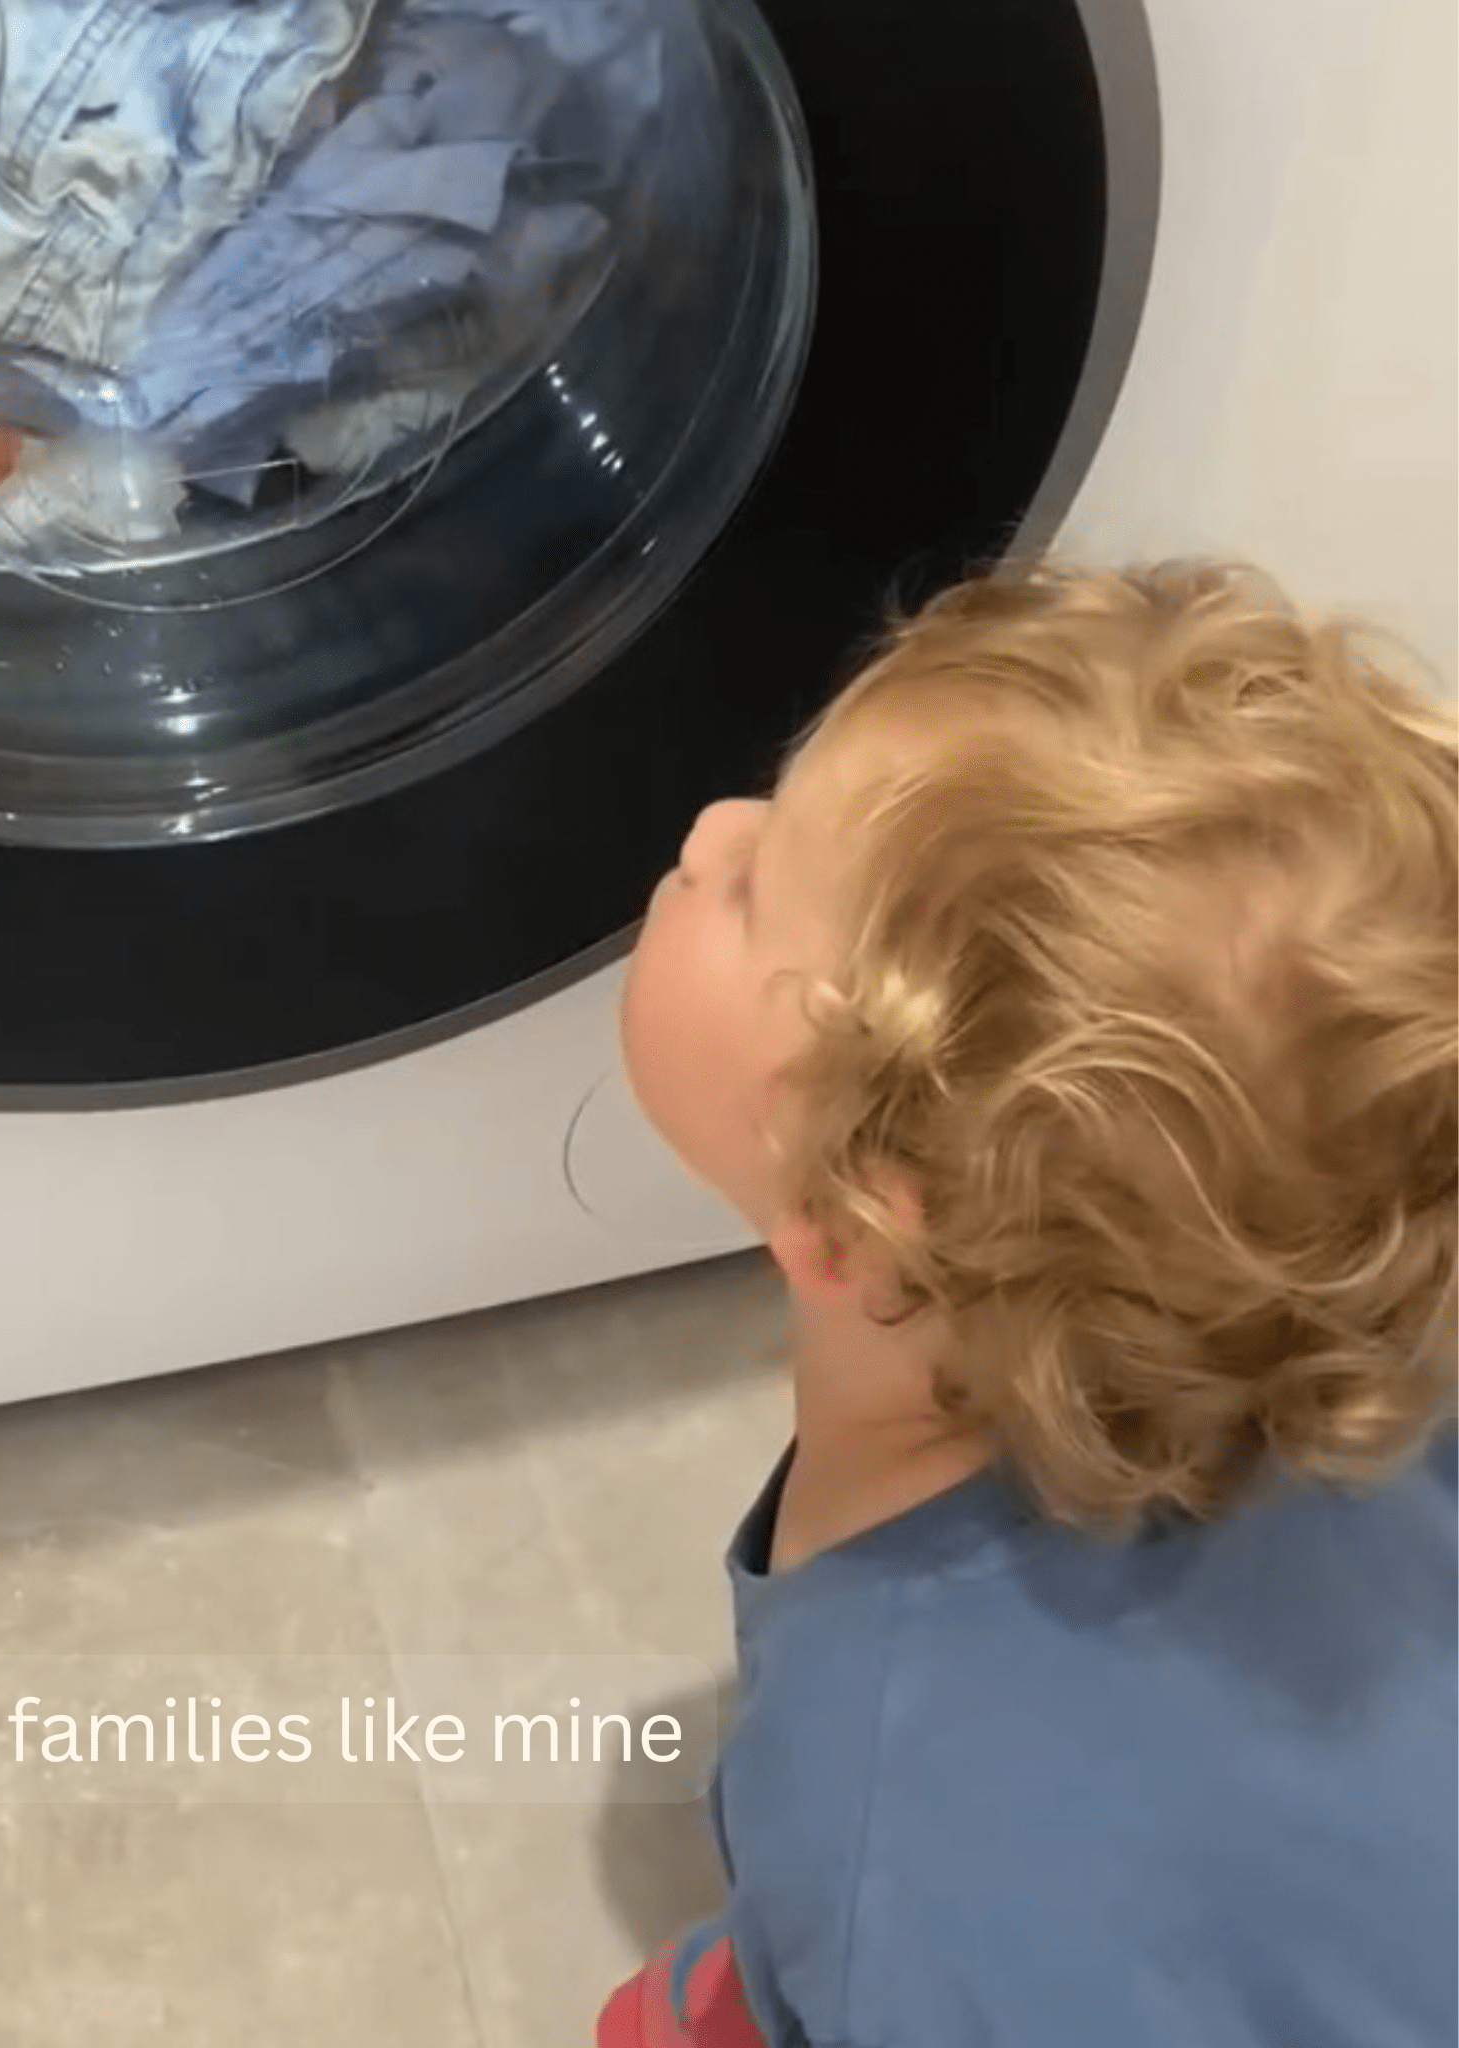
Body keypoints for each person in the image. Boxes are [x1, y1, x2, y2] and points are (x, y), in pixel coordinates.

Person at [599, 559, 1458, 2048]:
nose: (707, 830)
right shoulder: (1353, 1360)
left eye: (750, 891)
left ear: (865, 1212)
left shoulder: (914, 1821)